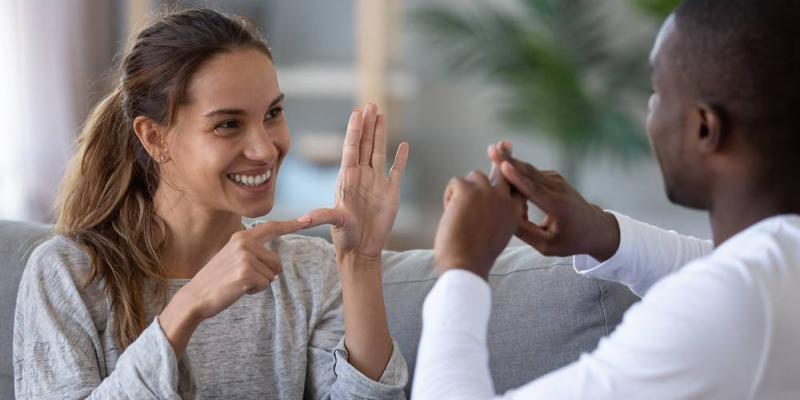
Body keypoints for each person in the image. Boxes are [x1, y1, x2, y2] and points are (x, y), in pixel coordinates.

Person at [13, 9, 411, 399]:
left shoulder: (308, 271)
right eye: (227, 124)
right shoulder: (68, 274)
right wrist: (189, 305)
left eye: (273, 113)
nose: (264, 148)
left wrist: (361, 264)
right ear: (154, 138)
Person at [413, 0, 800, 398]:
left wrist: (462, 267)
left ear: (704, 128)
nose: (651, 109)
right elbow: (728, 266)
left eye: (657, 93)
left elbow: (729, 289)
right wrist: (603, 233)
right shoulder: (774, 270)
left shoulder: (725, 309)